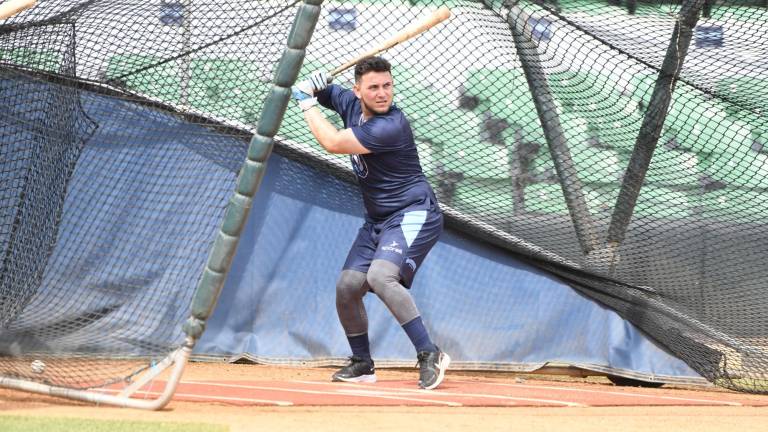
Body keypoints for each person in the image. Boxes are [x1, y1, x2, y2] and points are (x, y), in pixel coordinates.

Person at [290, 56, 449, 390]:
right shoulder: (349, 102)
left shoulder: (390, 125)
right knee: (347, 287)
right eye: (373, 87)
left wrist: (306, 102)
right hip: (378, 219)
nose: (382, 93)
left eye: (387, 86)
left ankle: (429, 352)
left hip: (413, 212)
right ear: (357, 90)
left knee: (380, 277)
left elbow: (332, 143)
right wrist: (314, 86)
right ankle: (362, 364)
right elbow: (325, 92)